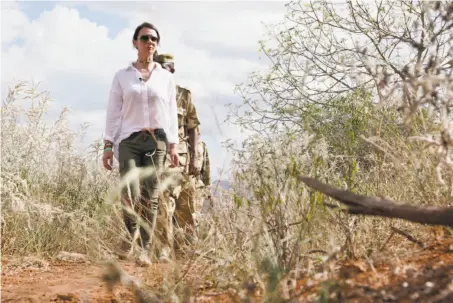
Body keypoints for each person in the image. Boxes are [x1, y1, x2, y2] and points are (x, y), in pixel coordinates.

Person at [102, 22, 179, 267]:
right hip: (129, 141)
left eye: (154, 39)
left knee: (151, 196)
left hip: (157, 141)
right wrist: (107, 144)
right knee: (129, 193)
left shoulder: (165, 78)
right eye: (145, 38)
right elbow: (113, 112)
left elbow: (172, 113)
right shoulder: (122, 76)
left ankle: (145, 250)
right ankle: (131, 234)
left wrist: (174, 145)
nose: (150, 42)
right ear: (135, 43)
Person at [155, 53, 205, 249]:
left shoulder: (184, 95)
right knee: (162, 202)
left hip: (182, 161)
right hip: (157, 158)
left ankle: (187, 249)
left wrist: (195, 160)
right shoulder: (146, 95)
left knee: (187, 207)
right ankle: (164, 250)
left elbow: (193, 129)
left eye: (166, 69)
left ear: (172, 70)